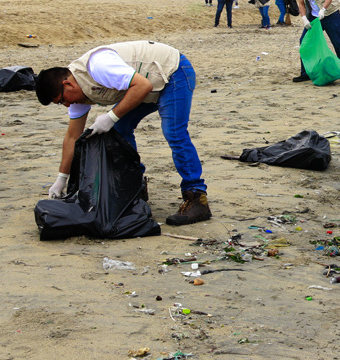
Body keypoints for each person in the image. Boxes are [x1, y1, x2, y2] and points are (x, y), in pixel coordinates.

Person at [34, 41, 210, 225]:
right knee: (119, 129)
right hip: (145, 83)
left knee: (173, 132)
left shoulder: (99, 67)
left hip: (173, 72)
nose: (67, 105)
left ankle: (196, 197)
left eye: (62, 100)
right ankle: (136, 189)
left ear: (67, 84)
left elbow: (143, 86)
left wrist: (111, 117)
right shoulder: (77, 93)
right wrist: (61, 179)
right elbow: (72, 137)